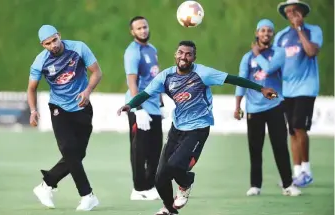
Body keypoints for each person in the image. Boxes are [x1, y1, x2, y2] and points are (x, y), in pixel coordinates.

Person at [117, 40, 278, 215]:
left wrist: (261, 88)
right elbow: (145, 94)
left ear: (194, 57)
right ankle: (169, 209)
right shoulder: (166, 76)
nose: (183, 57)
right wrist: (130, 105)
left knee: (176, 165)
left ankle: (186, 183)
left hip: (198, 128)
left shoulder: (203, 73)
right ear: (175, 54)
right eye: (180, 52)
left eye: (188, 54)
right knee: (160, 179)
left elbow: (234, 79)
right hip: (177, 129)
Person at [27, 25, 102, 211]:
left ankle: (46, 184)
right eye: (48, 43)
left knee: (77, 154)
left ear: (59, 36)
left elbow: (97, 72)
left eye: (54, 40)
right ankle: (87, 195)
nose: (53, 45)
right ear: (42, 45)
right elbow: (31, 88)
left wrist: (87, 91)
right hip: (58, 107)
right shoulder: (40, 62)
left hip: (82, 105)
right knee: (68, 149)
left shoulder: (78, 48)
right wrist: (33, 110)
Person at [257, 0, 323, 187]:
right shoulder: (281, 37)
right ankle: (296, 173)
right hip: (287, 90)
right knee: (292, 130)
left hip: (306, 87)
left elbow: (311, 52)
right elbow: (275, 62)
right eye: (288, 12)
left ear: (302, 12)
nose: (291, 14)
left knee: (299, 126)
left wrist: (300, 29)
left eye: (295, 11)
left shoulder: (313, 30)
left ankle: (306, 171)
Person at [234, 19, 301, 196]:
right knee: (255, 148)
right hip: (254, 109)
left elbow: (270, 69)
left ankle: (288, 185)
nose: (266, 34)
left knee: (280, 146)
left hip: (275, 106)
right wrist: (237, 105)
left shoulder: (279, 52)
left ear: (272, 34)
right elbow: (241, 82)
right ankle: (255, 186)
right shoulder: (247, 57)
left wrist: (257, 55)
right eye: (262, 31)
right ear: (257, 33)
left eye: (269, 31)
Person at [124, 16, 165, 200]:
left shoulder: (152, 49)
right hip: (140, 107)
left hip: (154, 106)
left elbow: (155, 78)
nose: (143, 30)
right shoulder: (132, 52)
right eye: (139, 28)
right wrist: (138, 108)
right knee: (140, 149)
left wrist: (161, 102)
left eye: (145, 27)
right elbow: (132, 81)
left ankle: (150, 186)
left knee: (155, 148)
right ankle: (138, 188)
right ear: (133, 32)